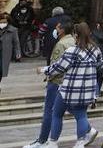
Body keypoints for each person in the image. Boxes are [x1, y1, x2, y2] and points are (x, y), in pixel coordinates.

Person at [43, 22, 103, 148]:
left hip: (68, 89)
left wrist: (44, 70)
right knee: (81, 115)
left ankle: (53, 142)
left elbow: (59, 67)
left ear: (76, 35)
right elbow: (101, 65)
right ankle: (80, 142)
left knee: (57, 113)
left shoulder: (72, 51)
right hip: (87, 90)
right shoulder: (95, 50)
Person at [26, 18, 75, 148]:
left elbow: (56, 65)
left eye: (58, 28)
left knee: (49, 111)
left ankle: (42, 140)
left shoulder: (61, 44)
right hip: (68, 81)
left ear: (62, 30)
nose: (56, 30)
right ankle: (86, 130)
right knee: (65, 111)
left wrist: (45, 72)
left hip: (57, 82)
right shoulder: (73, 41)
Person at [0, 12, 23, 91]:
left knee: (1, 70)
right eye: (1, 22)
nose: (2, 23)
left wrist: (18, 53)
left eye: (4, 22)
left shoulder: (13, 30)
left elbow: (16, 42)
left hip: (4, 53)